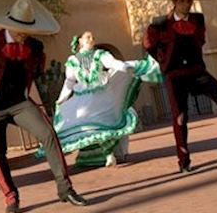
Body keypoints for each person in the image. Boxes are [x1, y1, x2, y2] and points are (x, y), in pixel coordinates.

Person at [0, 0, 89, 213]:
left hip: (19, 102)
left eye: (27, 31)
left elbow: (37, 72)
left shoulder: (36, 48)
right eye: (20, 31)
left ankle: (65, 189)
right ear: (8, 25)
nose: (23, 36)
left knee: (48, 134)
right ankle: (11, 197)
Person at [143, 0, 217, 173]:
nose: (188, 4)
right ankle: (184, 161)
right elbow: (149, 45)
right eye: (184, 1)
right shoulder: (160, 24)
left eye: (190, 1)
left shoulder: (198, 20)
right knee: (180, 118)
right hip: (175, 75)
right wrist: (163, 61)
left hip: (196, 71)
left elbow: (199, 40)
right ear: (175, 2)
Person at [48, 31, 162, 168]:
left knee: (105, 123)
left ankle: (109, 154)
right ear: (80, 41)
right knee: (89, 127)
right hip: (83, 99)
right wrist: (61, 99)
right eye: (88, 37)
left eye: (93, 37)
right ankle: (97, 156)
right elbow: (69, 81)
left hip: (101, 94)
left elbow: (114, 64)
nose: (91, 39)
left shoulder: (100, 54)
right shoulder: (72, 61)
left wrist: (128, 67)